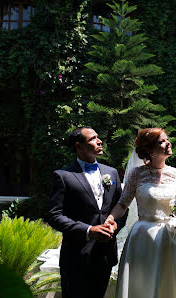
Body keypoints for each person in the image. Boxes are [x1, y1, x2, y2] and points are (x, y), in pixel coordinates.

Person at [106, 128, 176, 298]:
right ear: (150, 150)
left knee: (172, 283)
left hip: (173, 235)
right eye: (162, 141)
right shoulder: (136, 174)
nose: (168, 143)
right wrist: (110, 219)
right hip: (144, 237)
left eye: (167, 139)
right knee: (144, 284)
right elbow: (123, 203)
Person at [48, 126, 128, 298]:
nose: (99, 141)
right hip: (76, 255)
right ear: (79, 146)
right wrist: (88, 231)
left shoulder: (111, 173)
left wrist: (115, 225)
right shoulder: (63, 176)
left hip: (105, 254)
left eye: (98, 137)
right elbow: (54, 216)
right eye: (92, 139)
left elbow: (122, 207)